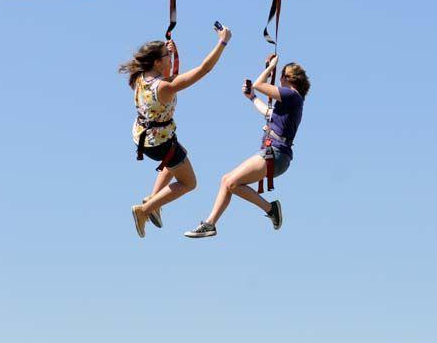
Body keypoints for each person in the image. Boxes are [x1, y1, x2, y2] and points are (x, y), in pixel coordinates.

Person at [118, 26, 232, 238]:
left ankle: (153, 200)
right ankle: (145, 209)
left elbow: (166, 79)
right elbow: (203, 69)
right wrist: (222, 42)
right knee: (189, 182)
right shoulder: (164, 88)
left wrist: (171, 53)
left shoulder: (140, 78)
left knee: (179, 158)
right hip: (160, 143)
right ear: (156, 62)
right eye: (166, 55)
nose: (169, 57)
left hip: (143, 137)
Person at [185, 55, 310, 238]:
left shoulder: (292, 95)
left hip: (276, 153)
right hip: (275, 154)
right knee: (228, 181)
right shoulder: (290, 101)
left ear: (288, 78)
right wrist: (252, 97)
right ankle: (211, 223)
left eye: (281, 75)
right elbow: (267, 112)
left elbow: (260, 84)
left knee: (230, 182)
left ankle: (270, 209)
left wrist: (269, 68)